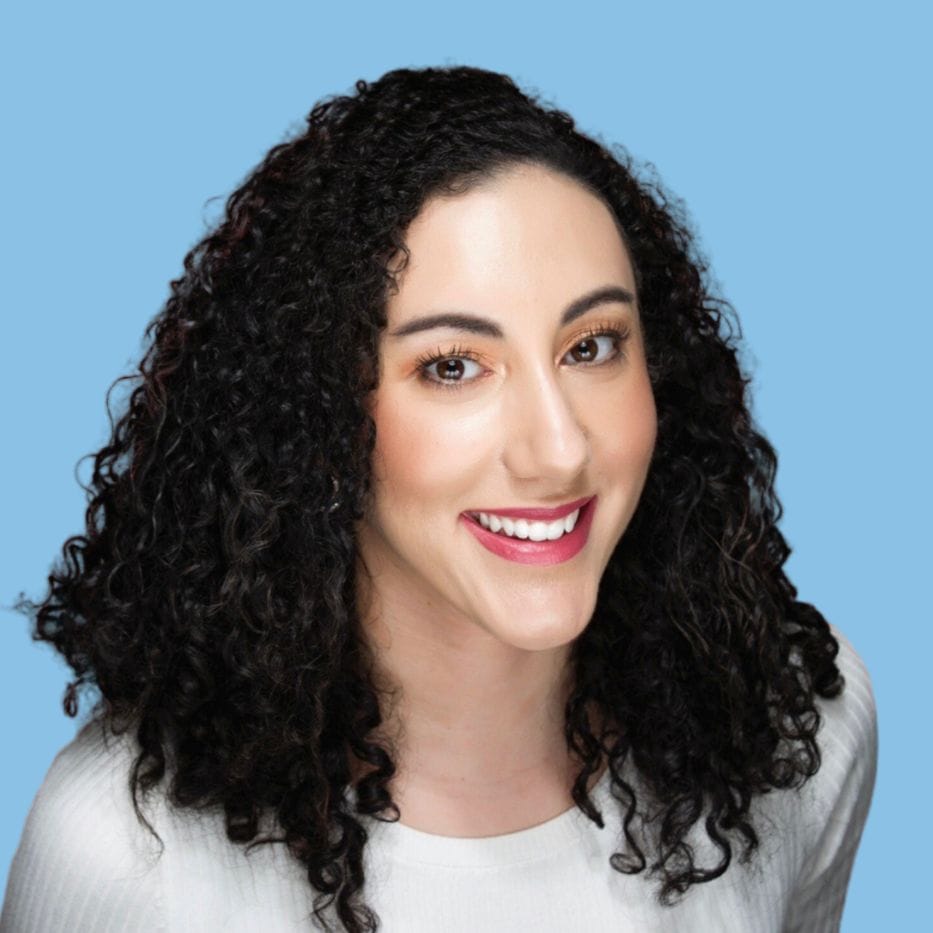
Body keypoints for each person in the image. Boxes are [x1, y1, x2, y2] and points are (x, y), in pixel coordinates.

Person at [1, 65, 877, 933]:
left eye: (592, 346)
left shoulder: (799, 734)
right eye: (452, 366)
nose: (559, 448)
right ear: (318, 417)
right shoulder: (124, 853)